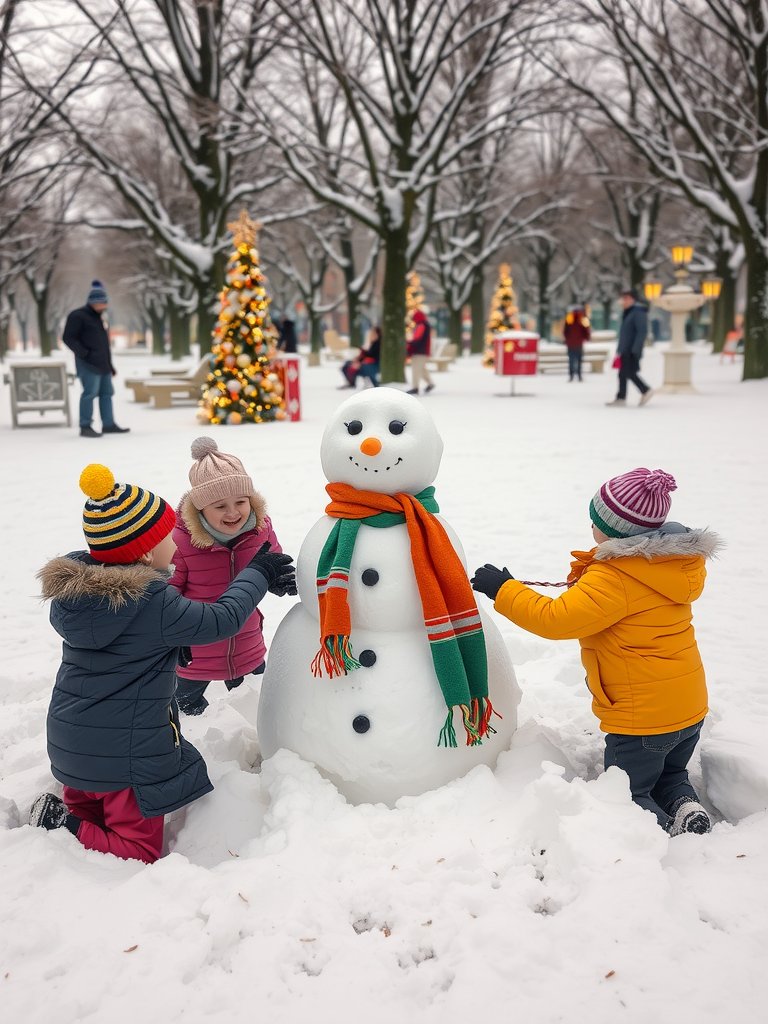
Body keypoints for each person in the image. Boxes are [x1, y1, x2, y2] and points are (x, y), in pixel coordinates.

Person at [29, 463, 295, 863]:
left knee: (91, 807)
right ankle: (61, 824)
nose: (178, 540)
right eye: (170, 534)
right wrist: (257, 573)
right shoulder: (150, 601)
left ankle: (72, 817)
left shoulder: (81, 597)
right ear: (149, 552)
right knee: (139, 849)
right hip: (123, 764)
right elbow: (221, 620)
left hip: (72, 751)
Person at [470, 467, 720, 837]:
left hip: (643, 722)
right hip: (689, 709)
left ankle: (661, 832)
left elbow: (556, 619)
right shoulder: (672, 565)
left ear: (618, 530)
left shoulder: (617, 577)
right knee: (670, 772)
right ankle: (685, 805)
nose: (590, 528)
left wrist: (504, 590)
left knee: (628, 795)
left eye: (595, 520)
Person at [169, 437, 291, 716]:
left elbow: (272, 560)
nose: (233, 512)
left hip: (247, 641)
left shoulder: (261, 530)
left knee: (256, 710)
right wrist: (172, 636)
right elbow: (168, 593)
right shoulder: (180, 542)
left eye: (240, 501)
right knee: (186, 716)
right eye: (220, 506)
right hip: (195, 653)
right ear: (200, 509)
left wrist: (278, 578)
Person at [62, 280, 130, 438]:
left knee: (107, 394)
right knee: (89, 394)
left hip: (103, 364)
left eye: (103, 303)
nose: (102, 306)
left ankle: (108, 424)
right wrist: (84, 353)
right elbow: (68, 338)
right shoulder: (78, 316)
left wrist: (110, 365)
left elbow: (103, 345)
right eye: (99, 303)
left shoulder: (100, 318)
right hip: (87, 364)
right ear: (91, 302)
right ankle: (85, 426)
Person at [607, 287, 653, 407]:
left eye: (627, 298)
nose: (624, 301)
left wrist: (635, 349)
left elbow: (641, 332)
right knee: (623, 373)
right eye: (623, 298)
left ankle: (645, 390)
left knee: (629, 373)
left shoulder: (638, 312)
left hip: (631, 350)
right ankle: (621, 397)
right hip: (625, 349)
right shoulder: (629, 313)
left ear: (633, 300)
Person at [406, 309, 435, 395]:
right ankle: (430, 383)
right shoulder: (425, 325)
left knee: (416, 369)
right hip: (423, 351)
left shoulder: (421, 325)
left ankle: (415, 388)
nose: (413, 320)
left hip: (419, 352)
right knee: (421, 369)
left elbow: (418, 339)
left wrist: (410, 344)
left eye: (414, 318)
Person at [563, 304, 591, 381]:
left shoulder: (569, 318)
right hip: (579, 343)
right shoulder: (583, 318)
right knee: (579, 360)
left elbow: (565, 330)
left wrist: (567, 338)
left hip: (570, 343)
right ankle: (579, 375)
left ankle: (571, 375)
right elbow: (587, 330)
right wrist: (587, 338)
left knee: (571, 359)